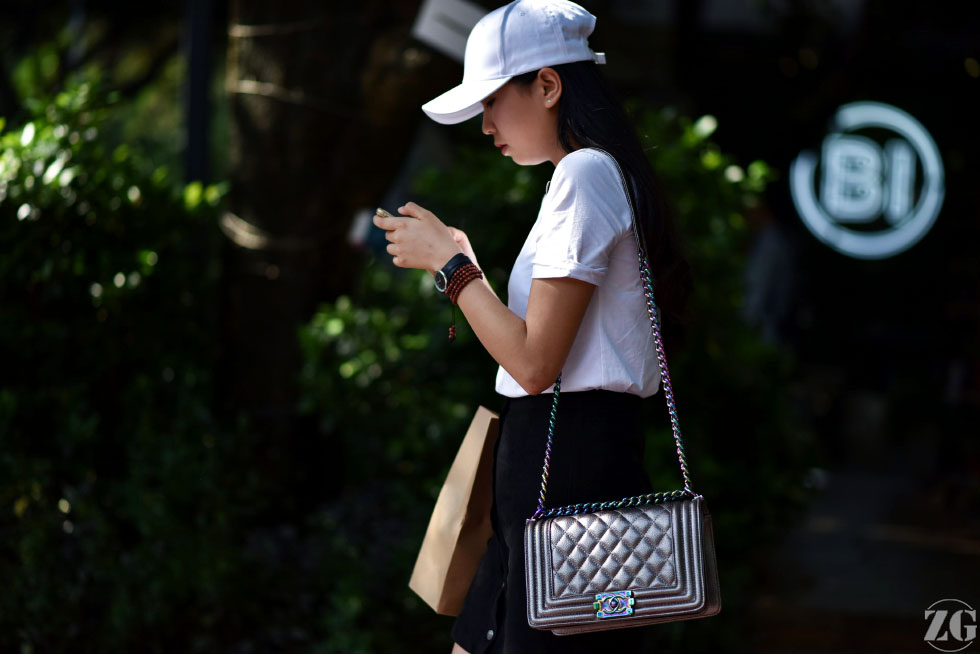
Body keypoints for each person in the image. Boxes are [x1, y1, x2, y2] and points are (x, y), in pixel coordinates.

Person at [373, 1, 690, 652]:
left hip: (568, 464)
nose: (485, 123)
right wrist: (462, 267)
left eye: (492, 100)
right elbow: (536, 347)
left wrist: (453, 269)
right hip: (556, 460)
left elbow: (535, 363)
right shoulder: (583, 177)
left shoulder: (585, 174)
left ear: (548, 85)